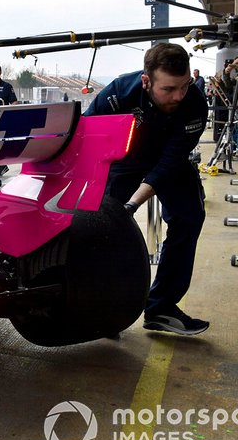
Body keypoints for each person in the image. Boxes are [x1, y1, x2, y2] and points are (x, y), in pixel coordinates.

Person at [83, 42, 209, 336]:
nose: (178, 95)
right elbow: (86, 136)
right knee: (103, 227)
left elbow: (168, 164)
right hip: (126, 158)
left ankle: (161, 307)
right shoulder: (117, 94)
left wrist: (133, 204)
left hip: (170, 160)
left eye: (184, 85)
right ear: (146, 80)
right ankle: (105, 309)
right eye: (168, 89)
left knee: (189, 217)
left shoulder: (194, 103)